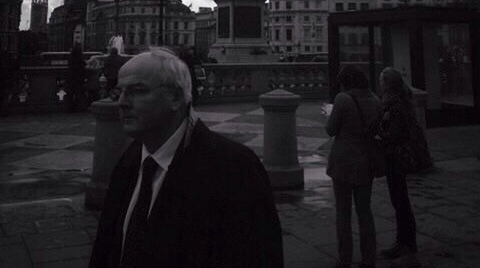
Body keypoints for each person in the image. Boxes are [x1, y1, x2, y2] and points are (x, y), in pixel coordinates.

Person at [89, 47, 283, 268]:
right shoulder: (129, 161)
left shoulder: (235, 170)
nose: (122, 102)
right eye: (119, 91)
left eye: (137, 90)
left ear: (176, 97)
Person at [326, 65, 382, 268]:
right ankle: (369, 258)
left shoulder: (343, 99)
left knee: (343, 212)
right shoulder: (376, 100)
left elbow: (330, 130)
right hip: (366, 161)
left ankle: (345, 259)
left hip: (343, 162)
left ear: (346, 82)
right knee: (365, 212)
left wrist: (330, 115)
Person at [378, 67, 421, 268]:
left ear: (387, 84)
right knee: (400, 199)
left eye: (382, 81)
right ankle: (403, 241)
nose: (379, 85)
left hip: (395, 158)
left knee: (400, 200)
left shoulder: (394, 106)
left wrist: (378, 138)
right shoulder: (399, 102)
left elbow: (393, 134)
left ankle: (406, 243)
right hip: (399, 157)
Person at [67, 42, 86, 112]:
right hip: (79, 77)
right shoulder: (79, 56)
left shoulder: (71, 56)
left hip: (71, 76)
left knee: (71, 93)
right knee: (79, 93)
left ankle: (70, 108)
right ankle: (80, 107)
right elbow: (83, 63)